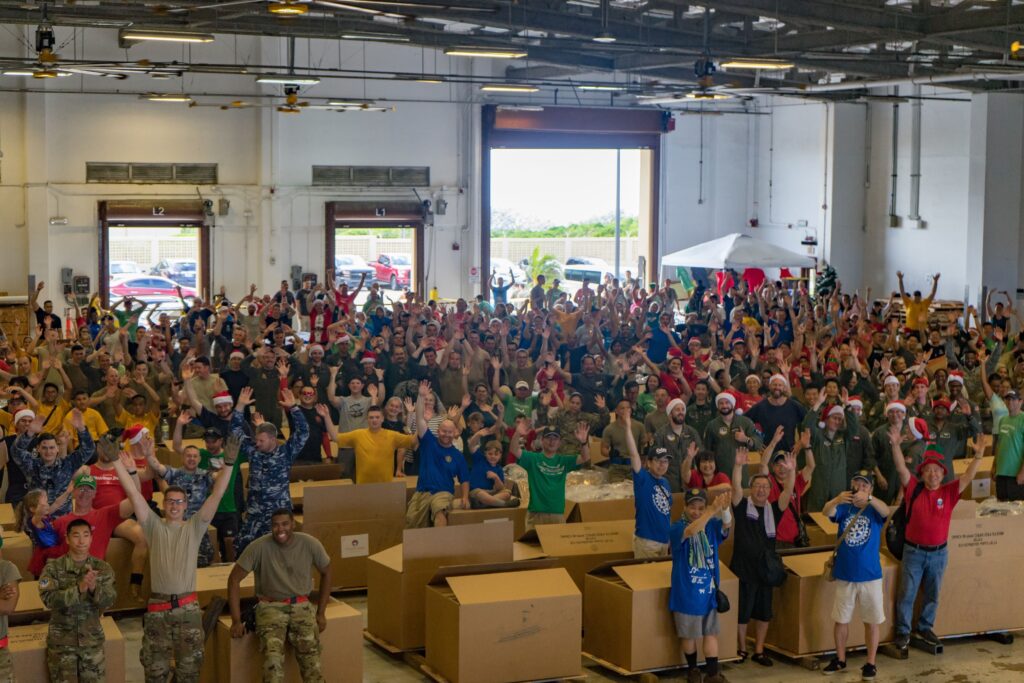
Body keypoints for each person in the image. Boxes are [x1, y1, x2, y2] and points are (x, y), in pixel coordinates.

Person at [111, 435, 234, 683]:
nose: (175, 505)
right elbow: (134, 496)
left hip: (187, 611)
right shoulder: (153, 526)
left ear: (186, 506)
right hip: (157, 610)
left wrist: (229, 463)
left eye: (179, 502)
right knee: (155, 672)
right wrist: (115, 461)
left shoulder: (195, 527)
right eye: (170, 501)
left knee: (189, 673)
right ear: (164, 504)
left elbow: (217, 495)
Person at [889, 430, 985, 651]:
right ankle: (903, 632)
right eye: (928, 470)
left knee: (933, 593)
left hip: (939, 554)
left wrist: (978, 456)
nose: (933, 474)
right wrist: (895, 445)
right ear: (922, 474)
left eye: (937, 471)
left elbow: (968, 477)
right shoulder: (913, 488)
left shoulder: (950, 493)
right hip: (913, 552)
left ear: (943, 474)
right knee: (907, 594)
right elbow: (901, 469)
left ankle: (924, 626)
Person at [228, 509, 332, 683]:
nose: (280, 529)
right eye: (275, 525)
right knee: (273, 663)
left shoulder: (310, 544)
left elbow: (327, 572)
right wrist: (236, 620)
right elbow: (233, 580)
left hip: (301, 605)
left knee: (312, 663)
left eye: (284, 524)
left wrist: (321, 612)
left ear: (293, 524)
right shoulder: (259, 546)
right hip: (270, 607)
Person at [820, 471, 892, 680]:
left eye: (865, 485)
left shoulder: (874, 509)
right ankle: (840, 659)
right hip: (845, 575)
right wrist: (837, 498)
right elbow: (826, 512)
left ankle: (870, 662)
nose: (860, 488)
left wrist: (869, 499)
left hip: (870, 576)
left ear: (870, 489)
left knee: (872, 621)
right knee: (841, 619)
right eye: (857, 484)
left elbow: (886, 510)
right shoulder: (844, 507)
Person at [729, 447, 795, 666]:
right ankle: (740, 648)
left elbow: (788, 492)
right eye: (757, 486)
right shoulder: (741, 506)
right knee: (742, 613)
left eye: (765, 487)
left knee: (764, 613)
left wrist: (791, 471)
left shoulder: (773, 510)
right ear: (752, 488)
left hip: (766, 570)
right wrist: (738, 465)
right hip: (743, 568)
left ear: (769, 490)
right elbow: (736, 487)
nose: (761, 490)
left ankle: (759, 650)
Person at [231, 386, 309, 553]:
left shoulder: (285, 453)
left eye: (261, 441)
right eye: (256, 440)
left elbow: (303, 432)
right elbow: (235, 431)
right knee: (245, 549)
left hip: (278, 514)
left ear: (273, 439)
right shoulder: (253, 451)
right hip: (254, 513)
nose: (257, 443)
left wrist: (294, 407)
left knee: (281, 551)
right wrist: (239, 406)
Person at [39, 518, 117, 682]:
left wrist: (95, 588)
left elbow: (110, 601)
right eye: (76, 535)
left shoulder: (102, 568)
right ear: (67, 539)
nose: (81, 541)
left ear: (91, 538)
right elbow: (48, 599)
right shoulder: (52, 568)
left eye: (86, 535)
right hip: (62, 646)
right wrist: (78, 589)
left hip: (91, 643)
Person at [670, 489, 733, 683]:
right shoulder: (677, 528)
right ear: (684, 507)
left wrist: (723, 509)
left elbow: (726, 525)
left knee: (710, 633)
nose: (696, 512)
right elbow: (691, 531)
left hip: (708, 592)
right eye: (692, 507)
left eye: (700, 508)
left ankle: (713, 674)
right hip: (686, 593)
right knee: (689, 635)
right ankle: (693, 671)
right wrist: (710, 511)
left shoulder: (711, 525)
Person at [406, 380, 471, 528]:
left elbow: (465, 479)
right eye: (443, 431)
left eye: (450, 432)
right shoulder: (428, 441)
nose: (446, 435)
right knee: (411, 522)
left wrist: (465, 497)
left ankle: (440, 547)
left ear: (455, 433)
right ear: (438, 431)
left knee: (439, 510)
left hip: (443, 492)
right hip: (422, 492)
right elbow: (420, 420)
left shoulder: (457, 455)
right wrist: (421, 397)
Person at [509, 419, 591, 530]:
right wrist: (517, 433)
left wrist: (583, 442)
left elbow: (585, 458)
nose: (552, 441)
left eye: (555, 438)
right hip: (536, 514)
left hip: (557, 514)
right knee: (533, 547)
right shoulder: (533, 458)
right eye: (548, 438)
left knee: (558, 547)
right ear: (542, 441)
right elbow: (514, 450)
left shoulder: (564, 460)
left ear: (560, 442)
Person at [327, 404, 418, 483]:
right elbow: (335, 437)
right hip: (363, 486)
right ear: (367, 419)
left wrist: (423, 421)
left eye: (377, 417)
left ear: (382, 419)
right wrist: (326, 416)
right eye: (371, 417)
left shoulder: (392, 436)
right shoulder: (358, 435)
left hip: (386, 485)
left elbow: (413, 441)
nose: (374, 420)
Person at [624, 420, 672, 559]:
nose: (662, 465)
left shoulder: (666, 483)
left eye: (665, 461)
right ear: (648, 463)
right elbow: (633, 454)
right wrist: (628, 428)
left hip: (664, 541)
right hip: (647, 541)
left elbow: (667, 512)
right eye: (658, 460)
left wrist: (669, 537)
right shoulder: (643, 479)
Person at [993, 390, 1024, 501]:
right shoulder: (1002, 420)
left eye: (1013, 399)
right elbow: (999, 445)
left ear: (1020, 401)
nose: (1010, 401)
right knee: (1002, 509)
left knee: (1017, 513)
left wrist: (1023, 473)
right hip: (1001, 474)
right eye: (1007, 399)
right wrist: (994, 466)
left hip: (1016, 476)